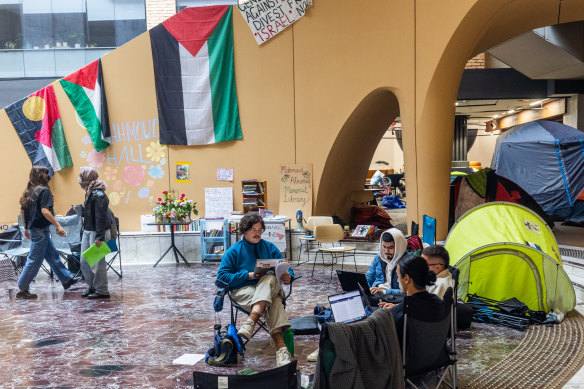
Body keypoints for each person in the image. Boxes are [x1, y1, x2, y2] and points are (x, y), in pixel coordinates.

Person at [216, 213, 294, 367]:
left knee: (270, 278)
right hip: (244, 291)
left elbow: (287, 269)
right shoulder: (234, 251)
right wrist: (248, 275)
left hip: (267, 289)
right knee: (274, 302)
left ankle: (251, 321)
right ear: (244, 231)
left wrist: (288, 276)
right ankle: (281, 350)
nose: (257, 233)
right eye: (253, 230)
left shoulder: (269, 247)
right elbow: (221, 278)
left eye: (260, 230)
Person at [16, 165, 79, 299]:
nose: (49, 176)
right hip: (40, 230)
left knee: (52, 255)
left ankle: (66, 279)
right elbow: (45, 211)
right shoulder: (44, 191)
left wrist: (26, 227)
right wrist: (58, 226)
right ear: (43, 176)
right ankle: (22, 288)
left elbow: (22, 211)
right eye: (47, 174)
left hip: (35, 229)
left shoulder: (29, 191)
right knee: (34, 259)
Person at [381, 254, 446, 345]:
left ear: (406, 278)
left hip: (408, 358)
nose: (397, 281)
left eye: (398, 276)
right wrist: (398, 307)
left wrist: (393, 312)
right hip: (436, 357)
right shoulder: (439, 303)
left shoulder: (400, 314)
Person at [78, 167, 112, 299]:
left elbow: (100, 217)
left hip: (97, 232)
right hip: (88, 230)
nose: (80, 179)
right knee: (84, 261)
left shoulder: (99, 195)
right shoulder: (89, 191)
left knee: (98, 263)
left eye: (82, 176)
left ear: (88, 178)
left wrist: (99, 237)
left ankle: (102, 290)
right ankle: (92, 287)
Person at [366, 228, 408, 297]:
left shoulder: (408, 262)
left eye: (390, 248)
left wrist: (384, 291)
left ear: (399, 247)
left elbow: (408, 292)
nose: (386, 251)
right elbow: (369, 277)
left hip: (394, 296)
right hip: (376, 292)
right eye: (384, 247)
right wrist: (364, 289)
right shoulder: (379, 257)